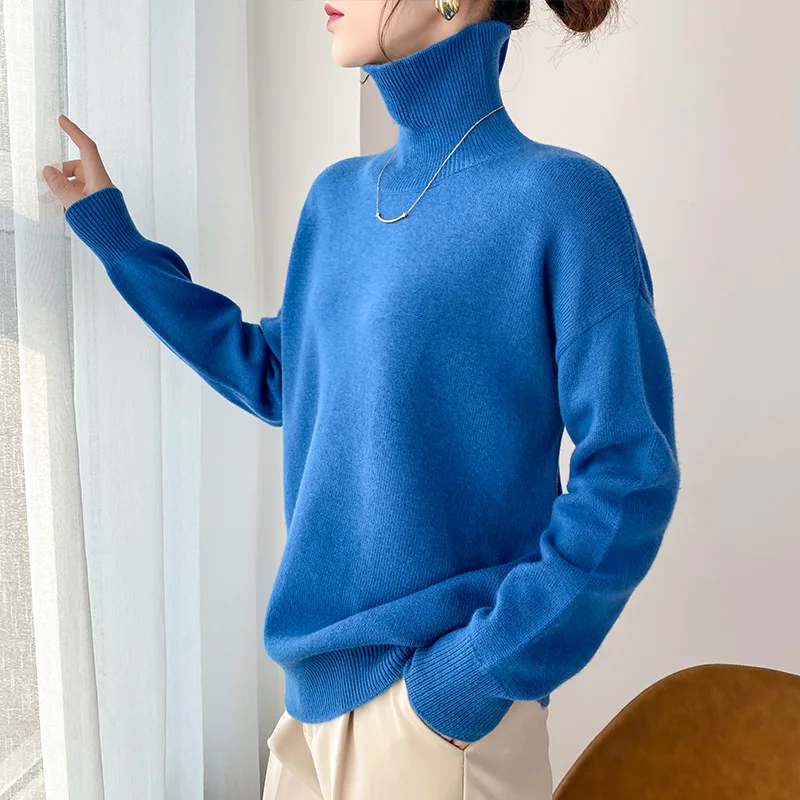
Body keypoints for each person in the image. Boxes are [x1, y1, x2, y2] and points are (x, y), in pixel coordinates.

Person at [42, 0, 681, 797]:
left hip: (438, 723)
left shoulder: (563, 199)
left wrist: (471, 675)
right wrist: (116, 239)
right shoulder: (336, 198)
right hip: (309, 707)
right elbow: (280, 376)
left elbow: (630, 472)